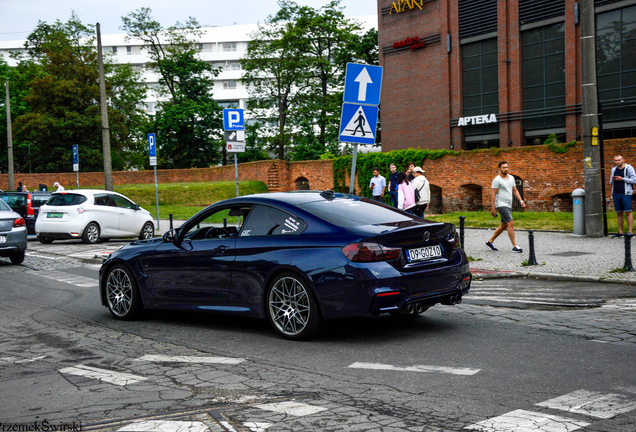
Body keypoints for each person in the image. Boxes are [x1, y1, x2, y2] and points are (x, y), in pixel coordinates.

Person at [486, 161, 526, 253]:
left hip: (508, 204)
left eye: (507, 167)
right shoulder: (497, 180)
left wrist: (521, 201)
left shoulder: (511, 178)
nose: (506, 169)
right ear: (499, 169)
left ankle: (490, 241)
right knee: (510, 222)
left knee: (504, 225)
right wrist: (493, 208)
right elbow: (493, 194)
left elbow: (515, 190)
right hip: (500, 204)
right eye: (504, 167)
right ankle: (515, 246)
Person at [609, 154, 636, 237]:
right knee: (619, 213)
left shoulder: (629, 168)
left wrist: (622, 179)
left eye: (619, 160)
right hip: (616, 193)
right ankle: (620, 232)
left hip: (626, 194)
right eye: (616, 160)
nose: (617, 162)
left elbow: (634, 180)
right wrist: (613, 180)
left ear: (623, 160)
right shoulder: (614, 169)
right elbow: (610, 182)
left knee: (628, 212)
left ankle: (630, 232)